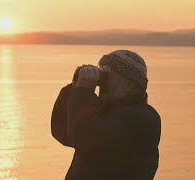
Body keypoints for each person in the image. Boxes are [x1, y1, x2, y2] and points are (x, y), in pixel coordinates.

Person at [51, 50, 161, 180]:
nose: (101, 81)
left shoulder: (142, 119)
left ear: (129, 85)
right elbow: (63, 131)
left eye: (107, 75)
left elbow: (85, 140)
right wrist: (75, 88)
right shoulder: (105, 110)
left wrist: (83, 92)